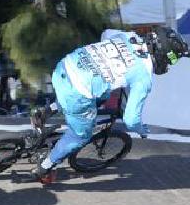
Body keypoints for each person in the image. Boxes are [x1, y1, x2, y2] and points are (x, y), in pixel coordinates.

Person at [28, 26, 189, 183]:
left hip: (64, 67)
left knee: (102, 94)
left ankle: (46, 111)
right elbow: (131, 120)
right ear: (162, 54)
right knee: (81, 135)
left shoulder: (129, 36)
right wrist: (141, 129)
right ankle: (45, 166)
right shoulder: (144, 76)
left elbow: (106, 34)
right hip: (76, 93)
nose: (169, 64)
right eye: (171, 59)